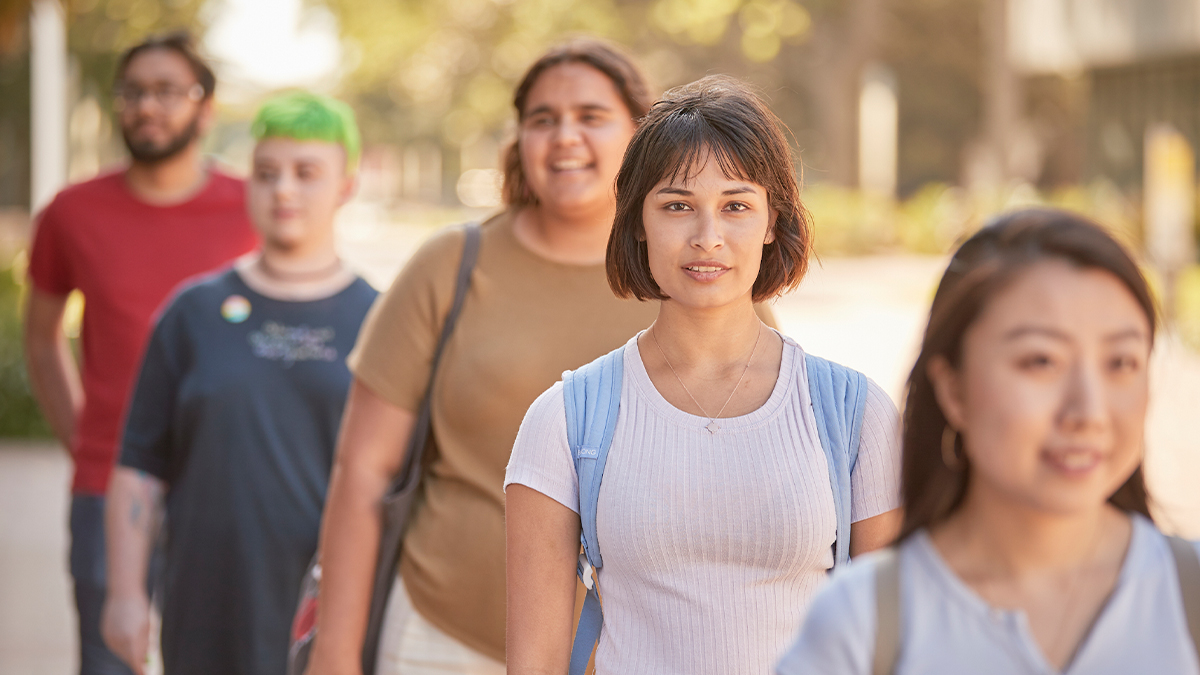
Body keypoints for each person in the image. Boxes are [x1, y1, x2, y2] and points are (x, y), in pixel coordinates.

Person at [305, 40, 774, 675]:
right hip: (438, 640)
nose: (564, 137)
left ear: (641, 137)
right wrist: (334, 654)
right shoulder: (449, 266)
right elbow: (362, 470)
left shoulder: (705, 270)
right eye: (542, 119)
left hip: (633, 651)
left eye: (590, 115)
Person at [504, 76, 902, 675]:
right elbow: (534, 664)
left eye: (736, 206)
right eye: (677, 206)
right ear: (638, 221)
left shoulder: (856, 413)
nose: (707, 237)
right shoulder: (565, 420)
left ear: (772, 221)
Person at [775, 209, 1199, 674]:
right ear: (953, 388)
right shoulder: (860, 625)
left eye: (1120, 363)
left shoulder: (1187, 598)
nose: (1089, 412)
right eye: (1041, 361)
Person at [99, 91, 378, 675]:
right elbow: (139, 465)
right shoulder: (192, 313)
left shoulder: (380, 319)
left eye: (307, 174)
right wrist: (125, 593)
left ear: (346, 186)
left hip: (333, 612)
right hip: (204, 601)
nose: (283, 190)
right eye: (266, 172)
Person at [22, 31, 257, 675]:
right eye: (133, 92)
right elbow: (42, 337)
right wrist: (85, 440)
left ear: (205, 108)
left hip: (227, 484)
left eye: (166, 91)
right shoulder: (71, 213)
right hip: (108, 489)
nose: (146, 107)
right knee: (110, 661)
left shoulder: (253, 209)